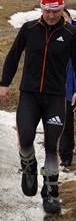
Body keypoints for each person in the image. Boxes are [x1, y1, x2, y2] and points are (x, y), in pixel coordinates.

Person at [0, 0, 76, 214]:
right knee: (25, 139)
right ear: (41, 8)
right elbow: (13, 56)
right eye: (47, 10)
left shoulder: (71, 35)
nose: (51, 15)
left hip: (55, 98)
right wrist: (5, 83)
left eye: (55, 11)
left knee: (52, 147)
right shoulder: (29, 29)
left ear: (62, 10)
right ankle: (29, 166)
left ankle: (50, 193)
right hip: (29, 95)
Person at [60, 9, 76, 167]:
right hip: (65, 89)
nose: (63, 20)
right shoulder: (58, 36)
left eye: (65, 17)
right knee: (66, 123)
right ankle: (66, 156)